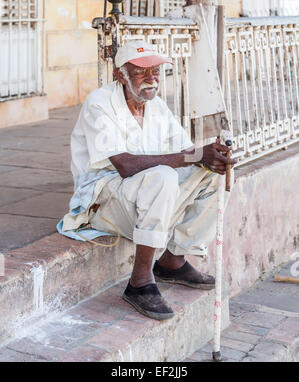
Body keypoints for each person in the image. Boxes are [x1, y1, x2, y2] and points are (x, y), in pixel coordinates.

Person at [61, 40, 237, 321]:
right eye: (141, 72)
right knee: (163, 175)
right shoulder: (100, 103)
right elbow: (125, 164)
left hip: (144, 194)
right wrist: (191, 156)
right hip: (102, 202)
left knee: (212, 172)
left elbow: (185, 151)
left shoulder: (155, 106)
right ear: (121, 75)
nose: (151, 79)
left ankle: (173, 260)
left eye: (155, 71)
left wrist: (209, 154)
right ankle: (139, 281)